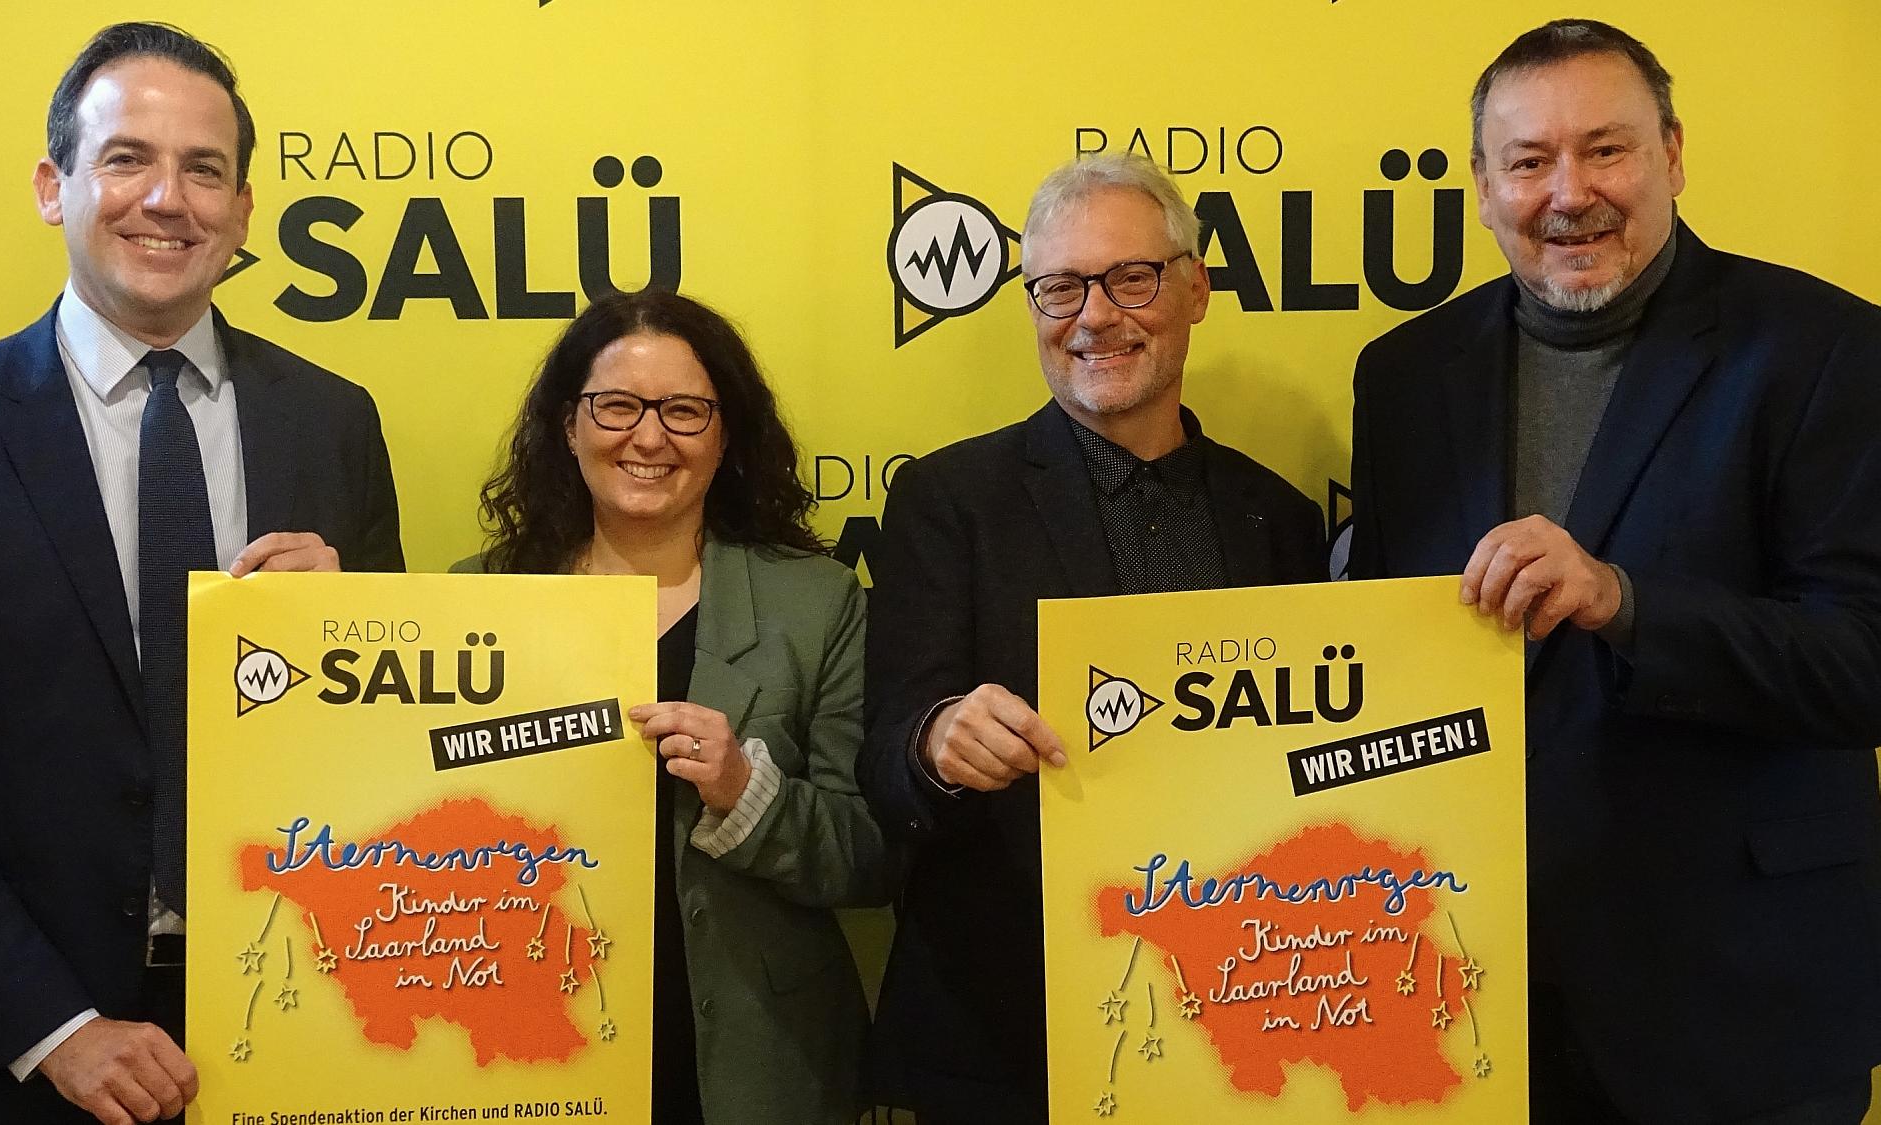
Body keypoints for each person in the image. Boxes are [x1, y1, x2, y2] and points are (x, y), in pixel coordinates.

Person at [1350, 19, 1881, 1124]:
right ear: (1483, 187)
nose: (1567, 193)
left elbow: (1862, 661)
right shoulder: (1403, 377)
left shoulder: (1827, 349)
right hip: (1475, 1004)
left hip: (1738, 1001)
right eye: (1528, 160)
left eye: (1606, 149)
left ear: (1672, 156)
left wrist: (1624, 604)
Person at [0, 21, 404, 1125]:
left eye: (203, 169)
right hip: (13, 1056)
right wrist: (53, 1030)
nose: (167, 199)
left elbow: (390, 747)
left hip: (298, 1024)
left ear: (244, 210)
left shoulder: (332, 421)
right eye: (127, 159)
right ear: (52, 184)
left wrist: (352, 635)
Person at [859, 153, 1326, 1123]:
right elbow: (884, 757)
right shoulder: (948, 502)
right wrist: (937, 741)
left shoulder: (1275, 518)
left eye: (1129, 278)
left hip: (1240, 1016)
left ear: (1193, 289)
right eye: (1058, 287)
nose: (1093, 316)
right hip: (1008, 1033)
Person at [465, 289, 889, 1124]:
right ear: (568, 424)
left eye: (685, 410)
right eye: (617, 405)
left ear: (726, 434)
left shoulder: (819, 602)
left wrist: (746, 791)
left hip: (760, 1062)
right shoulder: (479, 599)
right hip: (531, 1045)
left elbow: (871, 857)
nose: (649, 437)